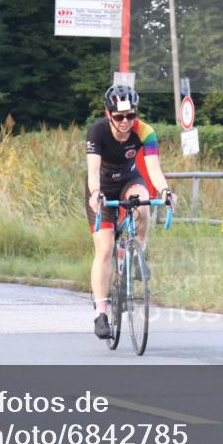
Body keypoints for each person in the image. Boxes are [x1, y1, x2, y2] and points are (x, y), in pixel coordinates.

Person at [85, 84, 171, 339]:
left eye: (130, 116)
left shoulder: (145, 132)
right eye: (119, 116)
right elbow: (92, 172)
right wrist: (95, 195)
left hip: (129, 181)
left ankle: (134, 254)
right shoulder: (97, 131)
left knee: (144, 202)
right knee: (104, 248)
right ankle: (101, 313)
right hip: (102, 188)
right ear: (108, 113)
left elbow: (153, 169)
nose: (125, 122)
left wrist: (165, 191)